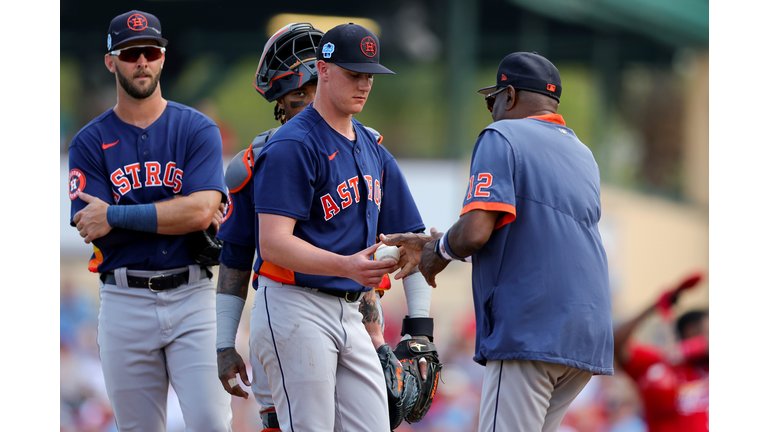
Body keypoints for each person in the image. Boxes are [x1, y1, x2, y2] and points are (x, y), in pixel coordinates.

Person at [381, 51, 615, 432]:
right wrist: (438, 241)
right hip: (587, 335)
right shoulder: (582, 153)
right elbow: (529, 240)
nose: (491, 109)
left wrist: (439, 252)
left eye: (492, 99)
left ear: (510, 96)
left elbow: (475, 231)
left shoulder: (503, 134)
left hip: (531, 328)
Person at [217, 23, 432, 432]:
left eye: (369, 75)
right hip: (295, 305)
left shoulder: (371, 148)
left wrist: (418, 330)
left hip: (351, 310)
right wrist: (224, 342)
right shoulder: (284, 149)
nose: (364, 84)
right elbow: (254, 250)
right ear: (326, 72)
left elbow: (413, 240)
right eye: (354, 74)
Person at [68, 10, 232, 432]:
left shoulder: (197, 128)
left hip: (193, 294)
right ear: (111, 61)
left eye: (149, 51)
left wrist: (117, 214)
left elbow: (199, 212)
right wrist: (178, 210)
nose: (141, 60)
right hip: (125, 300)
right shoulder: (89, 141)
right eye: (129, 53)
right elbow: (90, 225)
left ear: (161, 57)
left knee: (212, 422)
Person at [613, 273, 709, 432]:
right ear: (691, 330)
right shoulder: (658, 363)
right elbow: (615, 343)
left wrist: (687, 350)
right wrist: (654, 306)